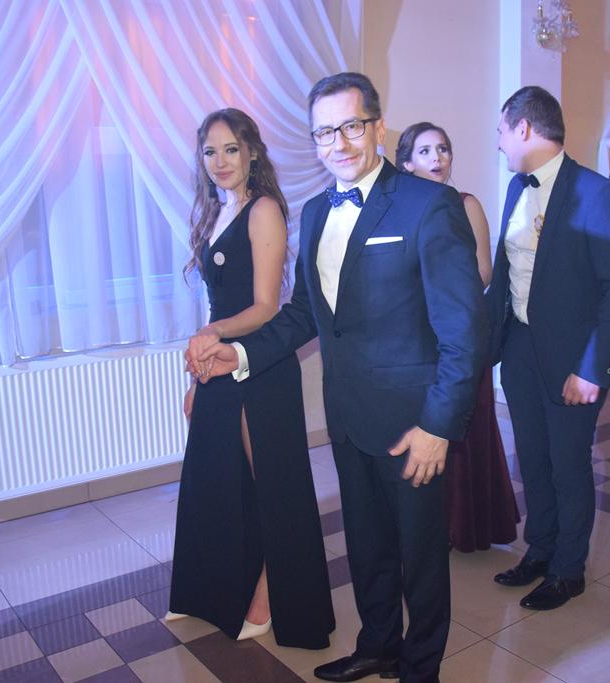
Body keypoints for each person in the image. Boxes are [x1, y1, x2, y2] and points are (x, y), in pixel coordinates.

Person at [192, 72, 484, 683]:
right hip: (348, 415)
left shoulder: (428, 205)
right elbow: (304, 314)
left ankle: (421, 668)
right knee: (368, 547)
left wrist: (438, 426)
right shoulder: (318, 210)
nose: (340, 142)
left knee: (420, 558)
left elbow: (463, 332)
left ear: (378, 127)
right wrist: (238, 355)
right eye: (325, 132)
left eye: (352, 126)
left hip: (413, 421)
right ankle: (378, 645)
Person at [166, 109, 334, 649]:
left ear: (253, 152)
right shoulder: (217, 211)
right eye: (210, 152)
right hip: (218, 364)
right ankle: (208, 594)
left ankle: (268, 596)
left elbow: (264, 307)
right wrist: (198, 378)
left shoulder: (263, 210)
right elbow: (219, 302)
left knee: (271, 492)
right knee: (216, 485)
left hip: (257, 367)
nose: (220, 161)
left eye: (231, 149)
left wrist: (209, 334)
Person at [487, 86, 610, 610]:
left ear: (524, 128)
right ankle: (540, 550)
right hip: (521, 346)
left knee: (567, 463)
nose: (499, 142)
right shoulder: (515, 187)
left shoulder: (594, 192)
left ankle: (568, 569)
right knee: (531, 457)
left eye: (502, 131)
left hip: (575, 357)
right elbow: (508, 273)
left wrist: (591, 368)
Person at [395, 121, 519, 553]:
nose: (437, 158)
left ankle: (463, 526)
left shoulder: (466, 204)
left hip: (459, 335)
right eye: (425, 151)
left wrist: (438, 294)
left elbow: (484, 272)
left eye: (443, 149)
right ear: (406, 163)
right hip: (414, 340)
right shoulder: (399, 210)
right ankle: (423, 525)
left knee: (465, 431)